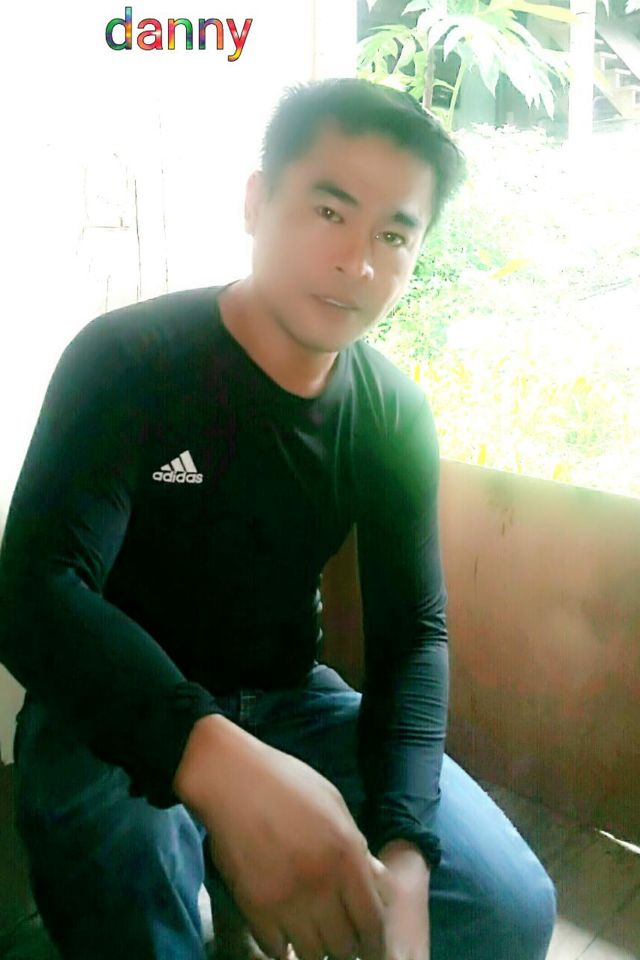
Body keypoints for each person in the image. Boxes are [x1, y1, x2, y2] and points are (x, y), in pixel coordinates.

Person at [0, 78, 556, 960]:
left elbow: (414, 633)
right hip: (112, 700)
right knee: (138, 898)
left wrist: (405, 844)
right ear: (257, 202)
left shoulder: (391, 413)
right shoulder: (131, 360)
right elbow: (36, 590)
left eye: (393, 235)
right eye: (329, 211)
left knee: (507, 906)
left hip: (290, 699)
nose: (357, 262)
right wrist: (214, 762)